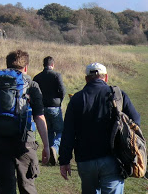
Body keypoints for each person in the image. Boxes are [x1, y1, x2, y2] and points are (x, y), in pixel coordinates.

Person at [59, 62, 141, 194]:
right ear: (106, 77)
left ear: (86, 79)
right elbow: (135, 121)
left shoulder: (76, 99)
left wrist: (64, 161)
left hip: (85, 161)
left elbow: (68, 132)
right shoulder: (118, 95)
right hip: (113, 159)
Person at [0, 49, 50, 194]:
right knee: (27, 186)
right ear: (25, 67)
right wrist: (46, 146)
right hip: (25, 142)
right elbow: (39, 117)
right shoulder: (32, 85)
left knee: (5, 188)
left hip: (1, 141)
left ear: (7, 65)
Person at [33, 56, 66, 166]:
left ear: (44, 64)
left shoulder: (37, 77)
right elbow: (62, 90)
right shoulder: (57, 75)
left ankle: (50, 153)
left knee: (49, 131)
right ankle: (54, 148)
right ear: (52, 64)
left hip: (42, 107)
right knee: (60, 130)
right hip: (54, 106)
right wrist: (59, 100)